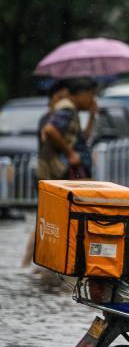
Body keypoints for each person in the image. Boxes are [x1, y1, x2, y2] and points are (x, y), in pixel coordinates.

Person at [22, 80, 73, 267]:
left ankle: (39, 263)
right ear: (53, 98)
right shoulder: (49, 119)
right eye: (61, 96)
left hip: (57, 176)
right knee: (45, 223)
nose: (66, 100)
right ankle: (30, 262)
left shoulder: (62, 117)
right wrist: (69, 152)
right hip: (48, 176)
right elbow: (47, 136)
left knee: (50, 223)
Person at [36, 77, 98, 181]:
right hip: (60, 172)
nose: (93, 100)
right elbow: (50, 130)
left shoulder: (72, 110)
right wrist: (70, 153)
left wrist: (92, 116)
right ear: (81, 93)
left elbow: (81, 139)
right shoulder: (67, 108)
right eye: (91, 95)